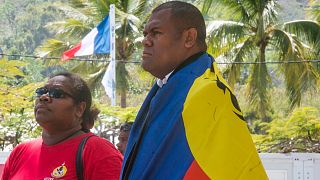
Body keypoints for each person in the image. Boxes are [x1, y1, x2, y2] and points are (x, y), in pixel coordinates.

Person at [121, 1, 268, 180]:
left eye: (156, 33)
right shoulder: (169, 86)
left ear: (189, 38)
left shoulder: (208, 92)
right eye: (145, 34)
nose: (145, 41)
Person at [1, 72, 123, 179]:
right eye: (41, 92)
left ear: (79, 109)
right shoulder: (20, 152)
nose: (44, 97)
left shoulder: (99, 152)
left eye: (57, 94)